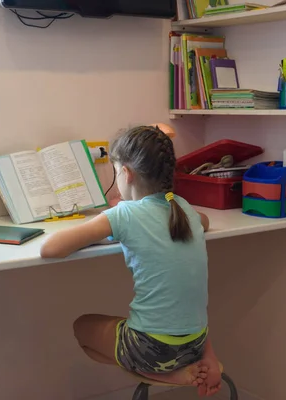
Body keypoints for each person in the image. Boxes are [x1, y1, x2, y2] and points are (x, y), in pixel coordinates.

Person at [40, 126, 221, 396]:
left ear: (126, 173)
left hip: (152, 350)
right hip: (196, 344)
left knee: (82, 327)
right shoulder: (182, 208)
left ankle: (168, 374)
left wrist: (107, 225)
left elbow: (50, 248)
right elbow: (203, 222)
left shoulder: (125, 214)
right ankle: (183, 365)